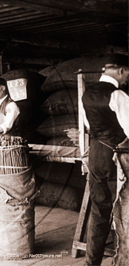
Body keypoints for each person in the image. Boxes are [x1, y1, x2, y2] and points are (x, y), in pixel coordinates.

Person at [82, 54, 129, 266]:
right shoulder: (117, 94)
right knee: (124, 210)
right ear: (120, 70)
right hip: (117, 158)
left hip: (96, 155)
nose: (128, 78)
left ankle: (91, 263)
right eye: (128, 73)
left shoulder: (87, 94)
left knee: (99, 210)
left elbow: (89, 126)